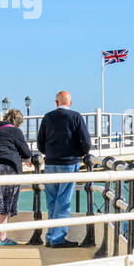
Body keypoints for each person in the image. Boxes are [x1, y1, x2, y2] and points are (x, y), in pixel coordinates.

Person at [36, 91, 92, 248]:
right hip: (69, 162)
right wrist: (81, 154)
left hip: (50, 163)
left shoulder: (47, 117)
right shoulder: (75, 116)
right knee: (63, 201)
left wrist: (49, 153)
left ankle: (50, 236)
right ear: (71, 102)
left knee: (52, 201)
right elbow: (86, 141)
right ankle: (58, 238)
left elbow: (40, 142)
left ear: (56, 102)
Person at [0, 109, 33, 245]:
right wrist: (27, 159)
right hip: (4, 166)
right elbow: (26, 151)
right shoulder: (15, 131)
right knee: (4, 201)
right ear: (18, 122)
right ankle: (1, 238)